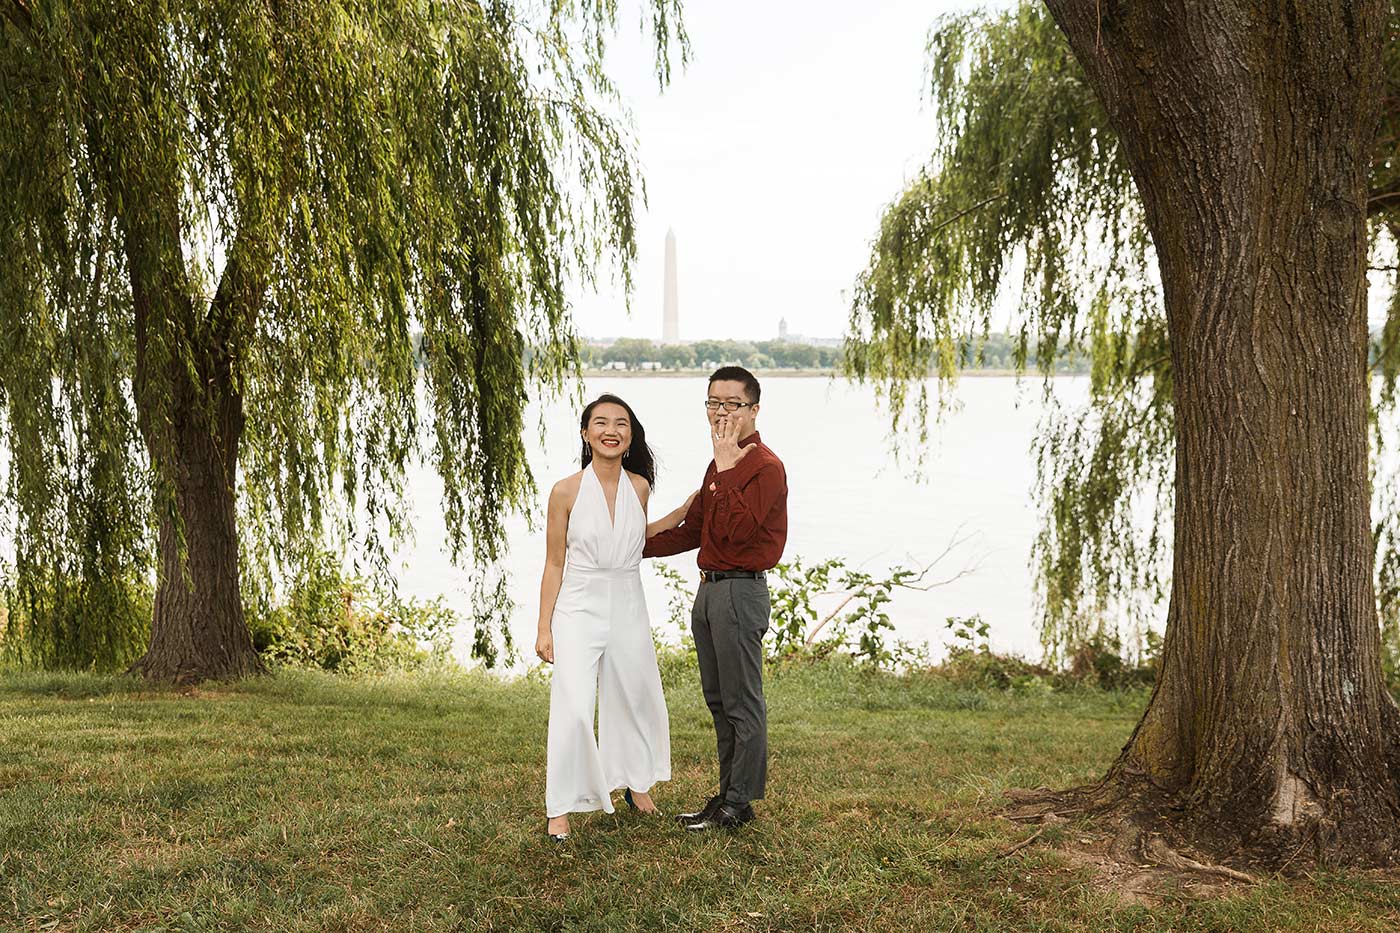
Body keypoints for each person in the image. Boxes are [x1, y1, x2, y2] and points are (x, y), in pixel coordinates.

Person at [536, 394, 693, 841]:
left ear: (629, 435)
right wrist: (544, 627)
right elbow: (553, 563)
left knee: (636, 694)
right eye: (600, 422)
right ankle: (561, 806)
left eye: (620, 423)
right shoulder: (565, 490)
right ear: (586, 434)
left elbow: (633, 537)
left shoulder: (639, 486)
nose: (611, 430)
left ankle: (635, 783)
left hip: (627, 600)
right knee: (573, 705)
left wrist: (680, 515)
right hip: (579, 604)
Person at [644, 366, 788, 831]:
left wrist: (726, 467)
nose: (721, 413)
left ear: (753, 410)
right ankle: (727, 795)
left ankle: (740, 803)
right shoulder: (718, 465)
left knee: (743, 702)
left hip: (741, 592)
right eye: (713, 403)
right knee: (719, 700)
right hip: (709, 592)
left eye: (732, 404)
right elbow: (695, 530)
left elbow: (740, 530)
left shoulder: (765, 466)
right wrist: (627, 547)